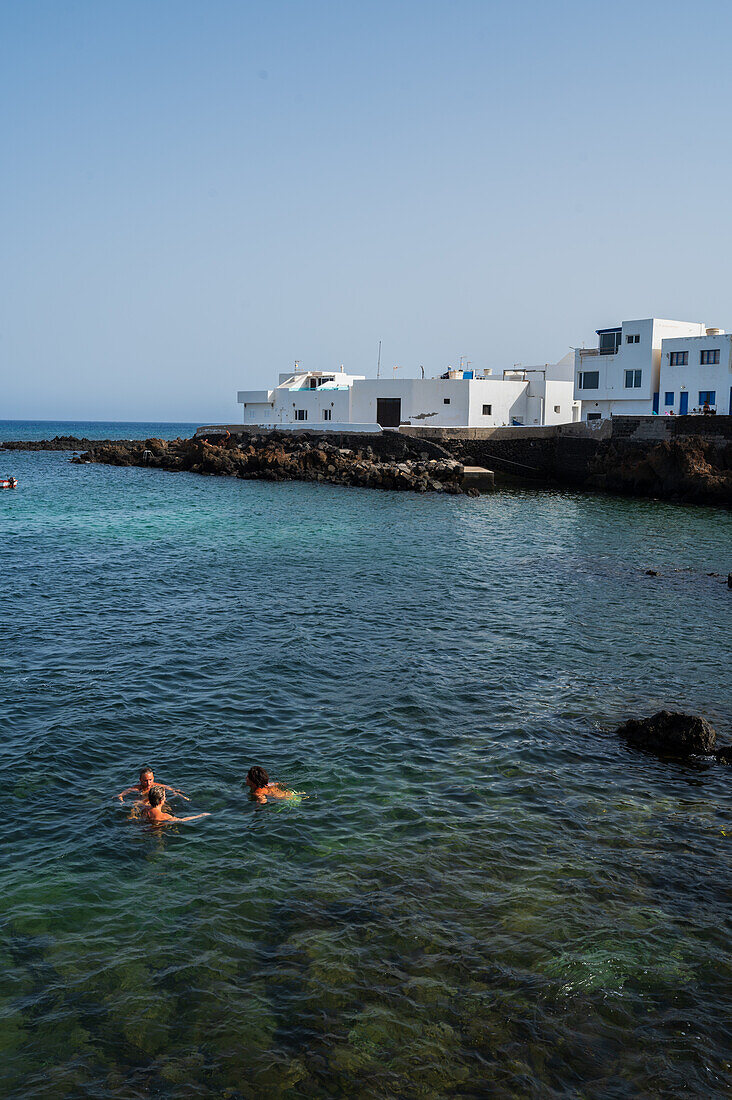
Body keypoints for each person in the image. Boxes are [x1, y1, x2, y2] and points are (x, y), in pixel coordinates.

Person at [143, 785, 210, 826]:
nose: (165, 798)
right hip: (157, 833)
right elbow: (182, 820)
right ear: (161, 800)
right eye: (165, 796)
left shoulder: (145, 811)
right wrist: (201, 815)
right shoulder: (165, 816)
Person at [117, 766, 189, 803]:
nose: (148, 783)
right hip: (143, 804)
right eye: (145, 781)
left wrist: (177, 793)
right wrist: (122, 802)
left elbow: (169, 788)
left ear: (153, 778)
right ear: (140, 780)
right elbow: (121, 794)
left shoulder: (155, 785)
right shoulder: (137, 788)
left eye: (150, 780)